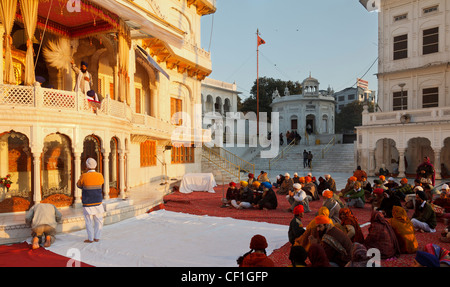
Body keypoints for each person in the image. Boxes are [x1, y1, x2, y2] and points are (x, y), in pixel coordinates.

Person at [77, 158, 105, 243]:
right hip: (98, 202)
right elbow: (101, 183)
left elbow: (78, 185)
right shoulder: (100, 175)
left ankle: (90, 239)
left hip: (88, 202)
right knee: (99, 220)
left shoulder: (84, 176)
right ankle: (97, 237)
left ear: (87, 166)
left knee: (88, 221)